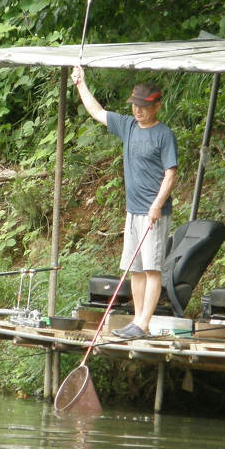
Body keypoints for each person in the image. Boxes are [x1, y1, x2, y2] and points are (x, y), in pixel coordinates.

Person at [72, 65, 178, 340]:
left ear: (157, 106)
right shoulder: (129, 126)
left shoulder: (164, 134)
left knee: (152, 268)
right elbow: (97, 112)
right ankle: (136, 321)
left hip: (153, 212)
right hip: (133, 211)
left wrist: (157, 205)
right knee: (136, 269)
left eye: (144, 106)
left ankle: (143, 323)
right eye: (135, 105)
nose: (138, 110)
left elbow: (170, 174)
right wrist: (81, 84)